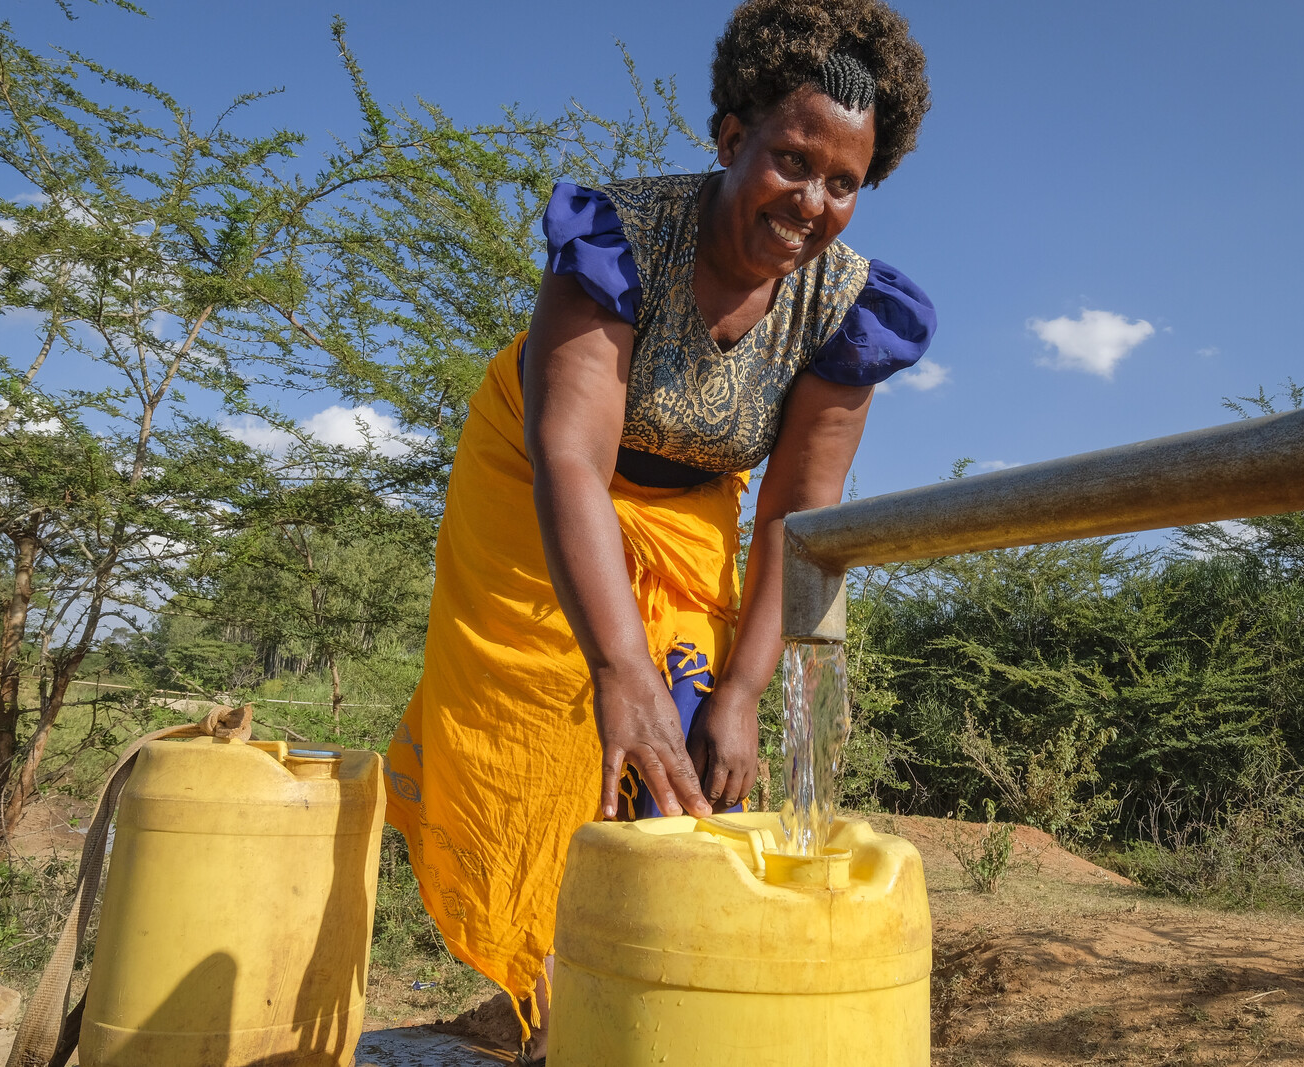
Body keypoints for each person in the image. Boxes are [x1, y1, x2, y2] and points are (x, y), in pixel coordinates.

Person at [382, 0, 933, 1058]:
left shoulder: (847, 310)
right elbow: (571, 459)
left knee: (684, 744)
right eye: (788, 158)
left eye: (842, 183)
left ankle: (620, 1010)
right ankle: (549, 1004)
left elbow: (796, 517)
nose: (809, 201)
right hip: (538, 482)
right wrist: (615, 667)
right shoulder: (618, 242)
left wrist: (742, 689)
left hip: (695, 509)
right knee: (560, 731)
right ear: (731, 139)